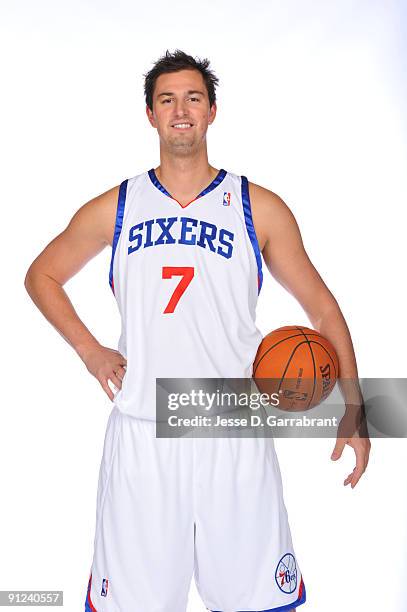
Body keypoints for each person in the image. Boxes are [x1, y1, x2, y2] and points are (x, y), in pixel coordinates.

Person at [24, 49, 370, 612]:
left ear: (212, 112)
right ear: (150, 115)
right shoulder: (118, 206)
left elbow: (325, 312)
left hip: (232, 433)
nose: (180, 110)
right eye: (167, 100)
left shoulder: (258, 207)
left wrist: (354, 410)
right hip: (144, 433)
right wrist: (90, 352)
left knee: (253, 603)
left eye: (192, 98)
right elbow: (41, 275)